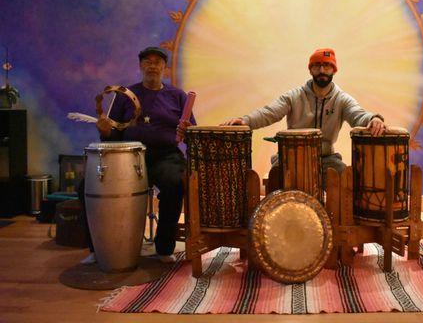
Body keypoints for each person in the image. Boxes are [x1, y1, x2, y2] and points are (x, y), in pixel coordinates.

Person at [81, 46, 194, 264]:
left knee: (175, 184)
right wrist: (104, 130)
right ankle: (98, 249)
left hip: (165, 156)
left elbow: (190, 132)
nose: (152, 66)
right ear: (140, 66)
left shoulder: (178, 96)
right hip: (128, 156)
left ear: (165, 67)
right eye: (147, 62)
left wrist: (186, 133)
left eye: (157, 62)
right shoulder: (125, 96)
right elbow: (113, 135)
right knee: (86, 185)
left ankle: (164, 248)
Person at [222, 48, 386, 174]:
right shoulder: (293, 96)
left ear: (334, 70)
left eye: (327, 66)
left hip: (326, 159)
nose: (322, 70)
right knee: (276, 174)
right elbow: (269, 112)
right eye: (317, 66)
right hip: (290, 157)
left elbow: (358, 114)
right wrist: (245, 121)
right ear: (310, 69)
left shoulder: (342, 99)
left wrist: (374, 118)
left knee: (344, 176)